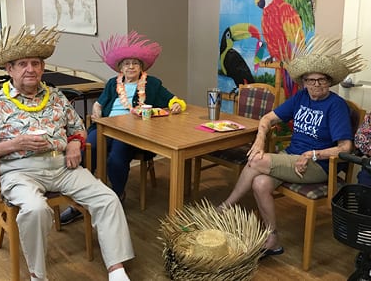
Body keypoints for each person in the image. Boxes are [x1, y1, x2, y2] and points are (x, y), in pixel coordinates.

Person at [0, 25, 134, 281]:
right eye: (22, 64)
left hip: (62, 168)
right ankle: (38, 275)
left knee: (108, 198)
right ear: (9, 69)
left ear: (43, 68)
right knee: (36, 209)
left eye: (35, 63)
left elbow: (78, 127)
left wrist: (74, 144)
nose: (30, 69)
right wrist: (13, 144)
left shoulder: (56, 97)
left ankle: (117, 268)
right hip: (19, 173)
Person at [217, 35, 366, 257]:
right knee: (259, 183)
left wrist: (315, 153)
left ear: (329, 82)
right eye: (310, 80)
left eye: (321, 80)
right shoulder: (300, 98)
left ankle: (226, 208)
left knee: (256, 160)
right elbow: (267, 119)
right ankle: (273, 239)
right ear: (303, 82)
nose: (316, 85)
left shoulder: (336, 106)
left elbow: (345, 147)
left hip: (318, 166)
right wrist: (259, 138)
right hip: (292, 158)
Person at [60, 31, 186, 224]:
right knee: (88, 149)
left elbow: (173, 100)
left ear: (141, 66)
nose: (131, 67)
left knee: (116, 157)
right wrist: (96, 112)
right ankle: (80, 200)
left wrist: (177, 104)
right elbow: (99, 104)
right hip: (107, 126)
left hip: (133, 132)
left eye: (135, 63)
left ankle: (116, 195)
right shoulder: (113, 83)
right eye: (126, 63)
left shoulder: (152, 84)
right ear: (120, 67)